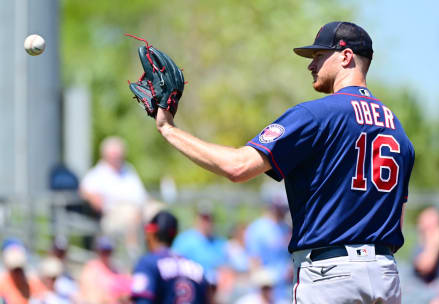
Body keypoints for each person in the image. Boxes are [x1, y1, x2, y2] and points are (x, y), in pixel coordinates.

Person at [150, 21, 415, 303]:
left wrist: (169, 129)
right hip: (385, 274)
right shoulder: (397, 130)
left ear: (346, 57)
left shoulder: (316, 115)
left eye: (319, 57)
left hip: (332, 274)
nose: (311, 66)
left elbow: (238, 167)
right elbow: (397, 215)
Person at [80, 136, 148, 259]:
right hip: (113, 215)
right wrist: (93, 198)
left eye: (119, 155)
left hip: (138, 210)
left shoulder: (128, 170)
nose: (117, 158)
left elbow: (142, 196)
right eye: (114, 155)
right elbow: (85, 191)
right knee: (130, 216)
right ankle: (133, 256)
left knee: (159, 213)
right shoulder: (97, 174)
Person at [130, 210, 211, 303]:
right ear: (175, 234)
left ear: (151, 234)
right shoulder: (197, 268)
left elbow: (142, 301)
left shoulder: (148, 264)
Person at [245, 190, 292, 302]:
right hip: (266, 289)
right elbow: (254, 261)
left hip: (285, 289)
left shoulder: (286, 228)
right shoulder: (258, 228)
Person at [171, 202, 228, 286]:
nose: (206, 222)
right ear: (196, 218)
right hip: (193, 285)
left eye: (208, 218)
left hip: (215, 287)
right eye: (203, 218)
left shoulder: (219, 242)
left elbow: (225, 268)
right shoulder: (184, 240)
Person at [78, 236, 132, 304]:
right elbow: (91, 297)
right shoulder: (91, 268)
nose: (106, 254)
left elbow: (128, 289)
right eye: (103, 251)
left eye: (108, 251)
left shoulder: (116, 269)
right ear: (98, 251)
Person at [0, 239, 47, 304]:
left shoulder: (32, 282)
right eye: (15, 270)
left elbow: (44, 296)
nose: (18, 273)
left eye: (20, 269)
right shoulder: (2, 284)